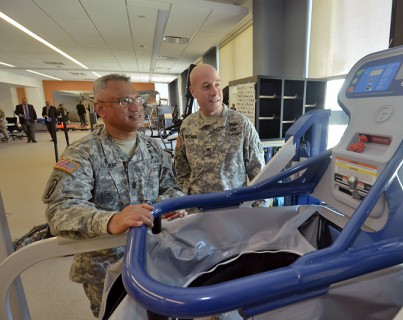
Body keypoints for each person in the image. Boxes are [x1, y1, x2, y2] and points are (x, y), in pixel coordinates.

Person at [43, 74, 186, 317]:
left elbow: (171, 187)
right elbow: (60, 209)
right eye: (124, 101)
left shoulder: (153, 148)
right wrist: (110, 221)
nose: (136, 107)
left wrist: (172, 205)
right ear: (100, 109)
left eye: (138, 99)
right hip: (105, 267)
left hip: (153, 257)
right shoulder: (82, 153)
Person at [174, 64, 267, 206]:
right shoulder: (187, 126)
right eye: (206, 86)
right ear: (193, 92)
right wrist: (185, 205)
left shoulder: (241, 124)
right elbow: (180, 172)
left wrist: (252, 216)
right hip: (196, 214)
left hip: (233, 214)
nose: (215, 92)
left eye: (217, 84)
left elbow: (261, 177)